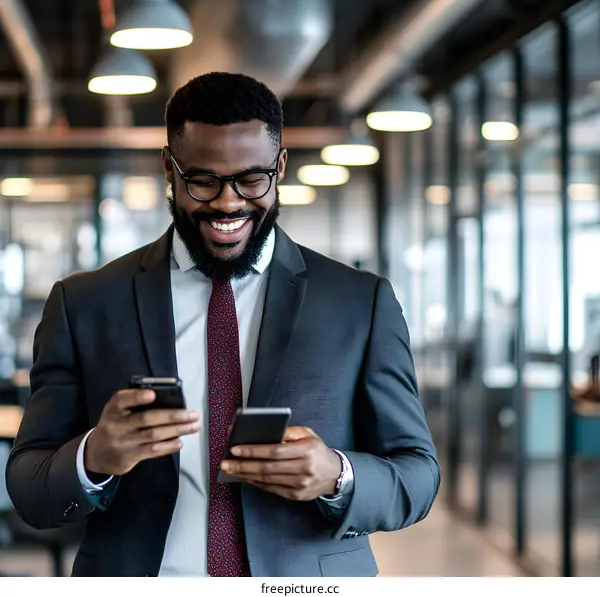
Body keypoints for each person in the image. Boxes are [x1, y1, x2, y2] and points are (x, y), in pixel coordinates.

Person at [6, 72, 440, 577]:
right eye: (203, 181)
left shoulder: (359, 302)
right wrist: (93, 457)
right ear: (169, 168)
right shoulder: (85, 303)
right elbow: (29, 484)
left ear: (280, 167)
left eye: (251, 180)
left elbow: (418, 474)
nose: (228, 203)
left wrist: (336, 476)